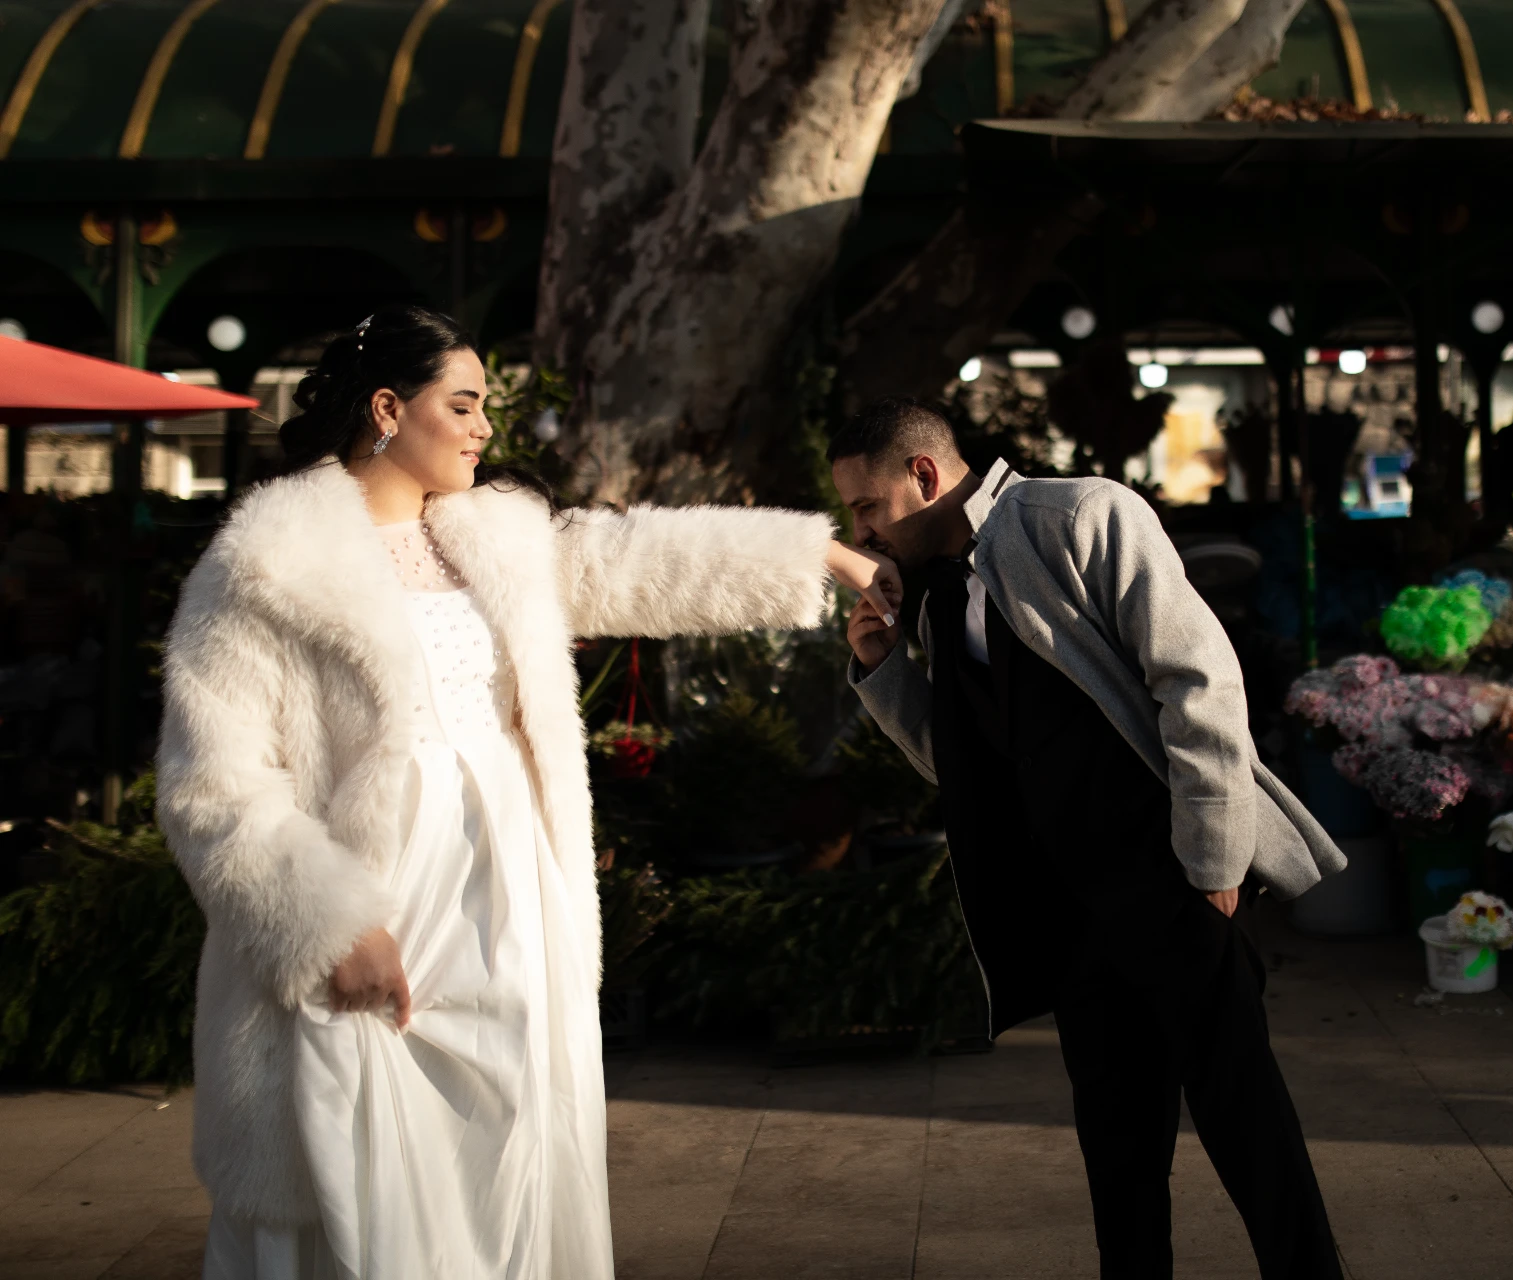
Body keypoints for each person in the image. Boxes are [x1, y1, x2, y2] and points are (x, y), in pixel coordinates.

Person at [157, 305, 900, 1279]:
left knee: (510, 1140)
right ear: (387, 407)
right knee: (364, 1169)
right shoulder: (264, 564)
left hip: (511, 891)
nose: (484, 428)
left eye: (485, 407)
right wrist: (327, 922)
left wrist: (825, 558)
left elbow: (640, 560)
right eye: (461, 403)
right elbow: (212, 785)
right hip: (373, 896)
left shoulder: (497, 539)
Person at [829, 398, 1346, 1280]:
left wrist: (1213, 860)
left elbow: (1200, 679)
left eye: (867, 506)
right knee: (1118, 1155)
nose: (861, 529)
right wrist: (884, 673)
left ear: (923, 476)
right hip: (1068, 911)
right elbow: (961, 767)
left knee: (1247, 1127)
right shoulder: (932, 590)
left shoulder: (1080, 515)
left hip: (1173, 880)